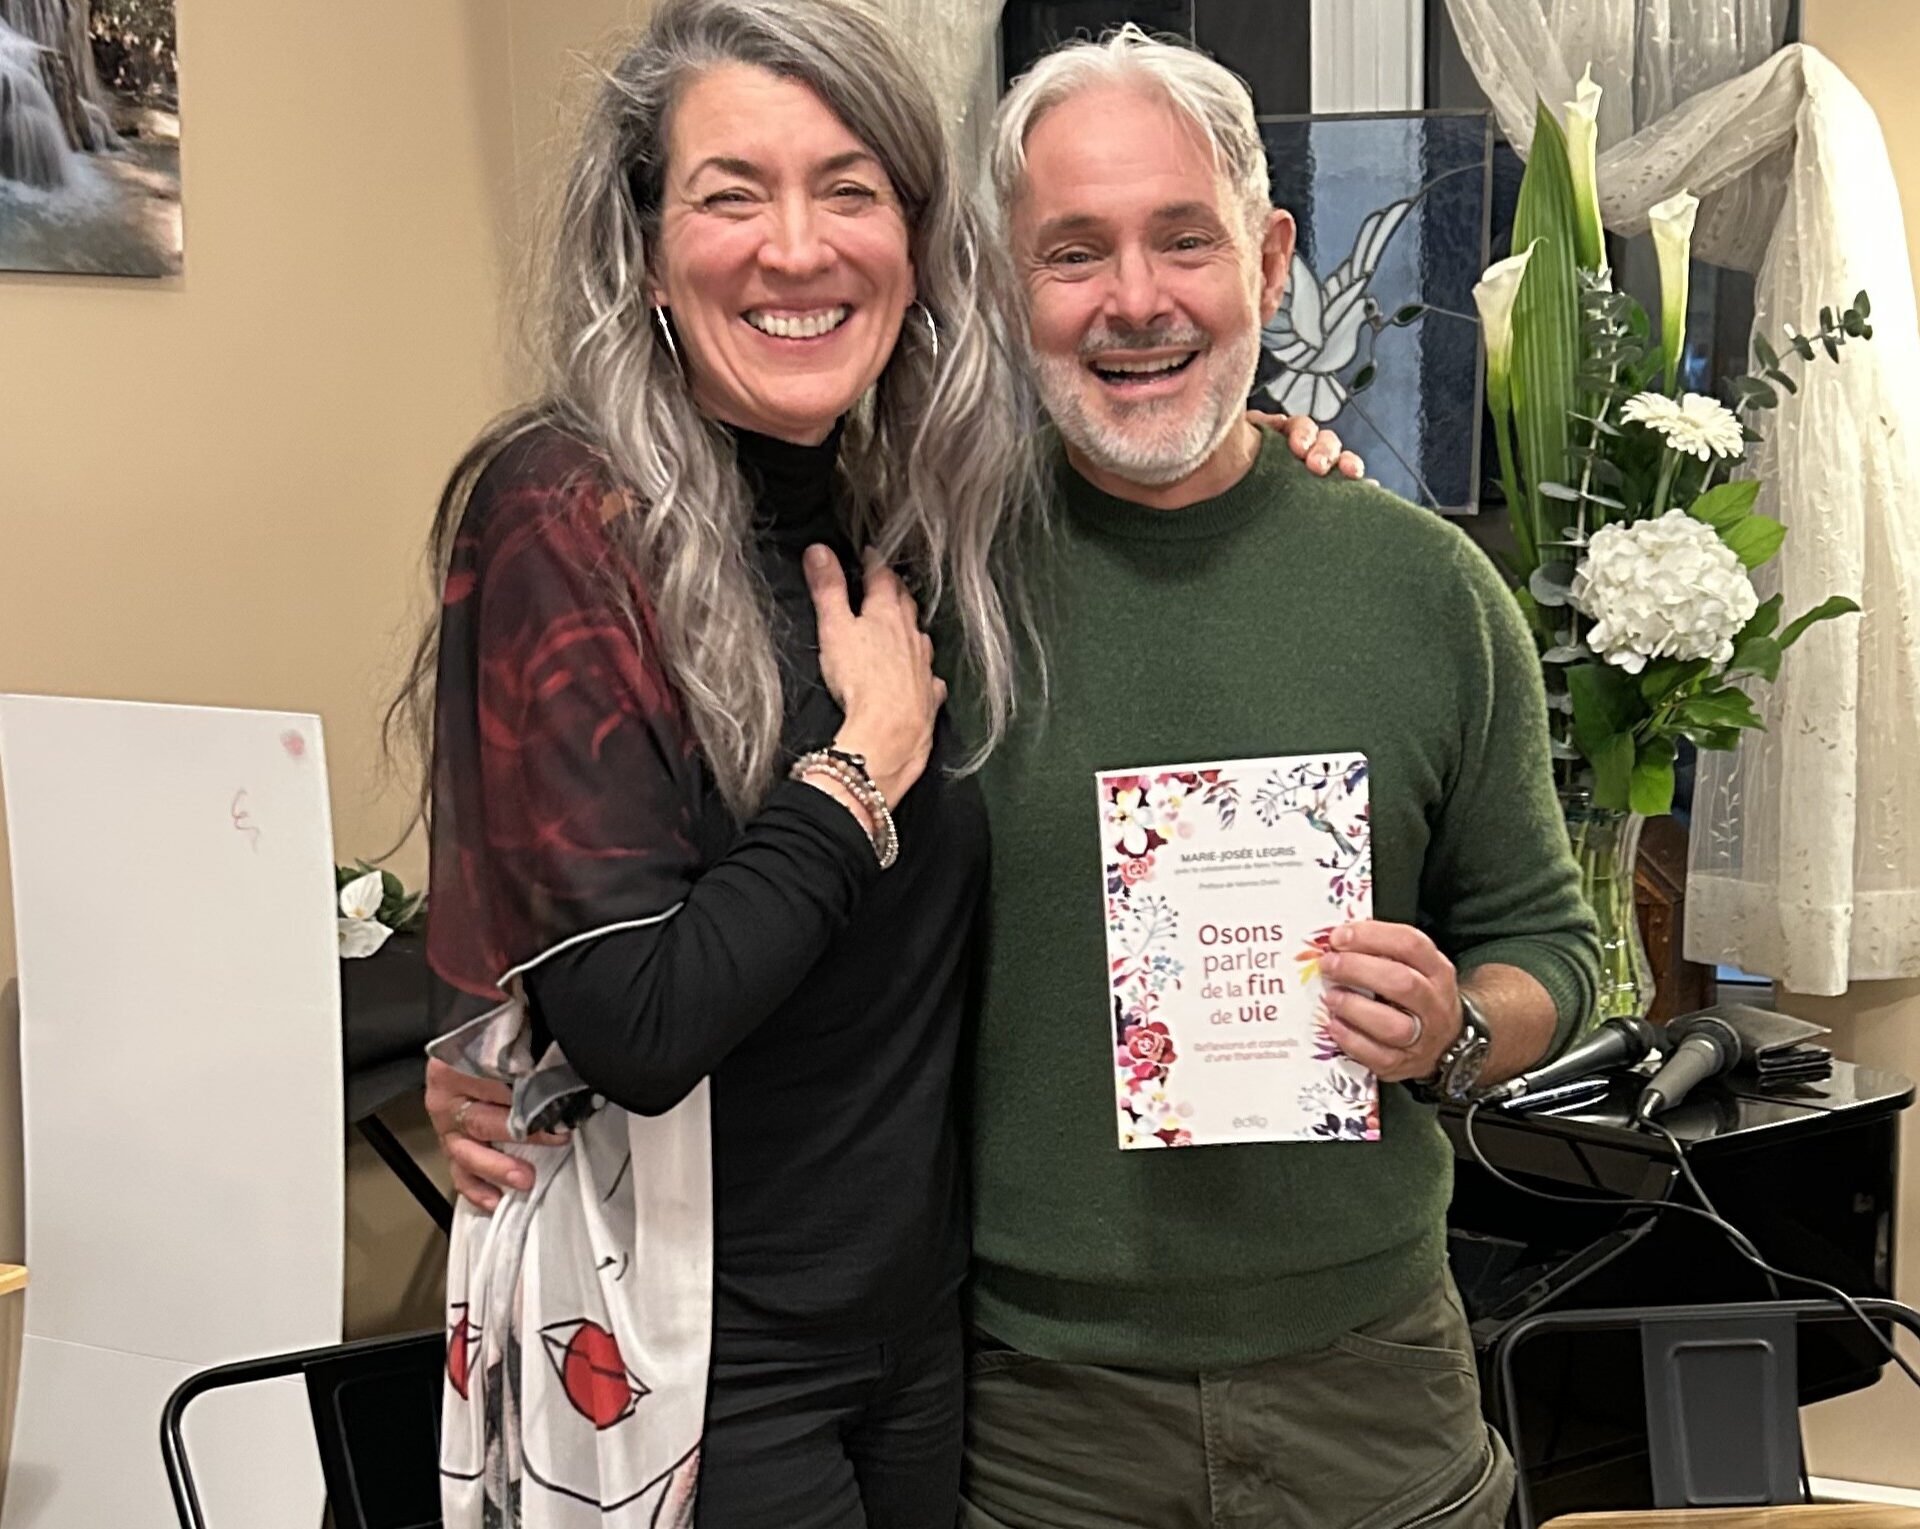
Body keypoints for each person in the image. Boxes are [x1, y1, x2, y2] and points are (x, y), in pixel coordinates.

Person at [406, 3, 1355, 1524]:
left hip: (925, 1343)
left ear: (917, 246)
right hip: (701, 1355)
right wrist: (858, 775)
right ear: (644, 250)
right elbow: (639, 1022)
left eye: (848, 190)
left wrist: (1273, 469)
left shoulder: (914, 512)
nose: (797, 249)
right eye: (731, 195)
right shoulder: (565, 510)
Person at [941, 27, 1604, 1529]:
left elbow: (1551, 947)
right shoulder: (931, 594)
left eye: (1185, 239)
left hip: (1376, 1392)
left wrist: (1452, 1024)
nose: (1135, 299)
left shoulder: (1428, 591)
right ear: (1005, 285)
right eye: (1072, 252)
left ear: (1271, 256)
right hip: (1038, 1417)